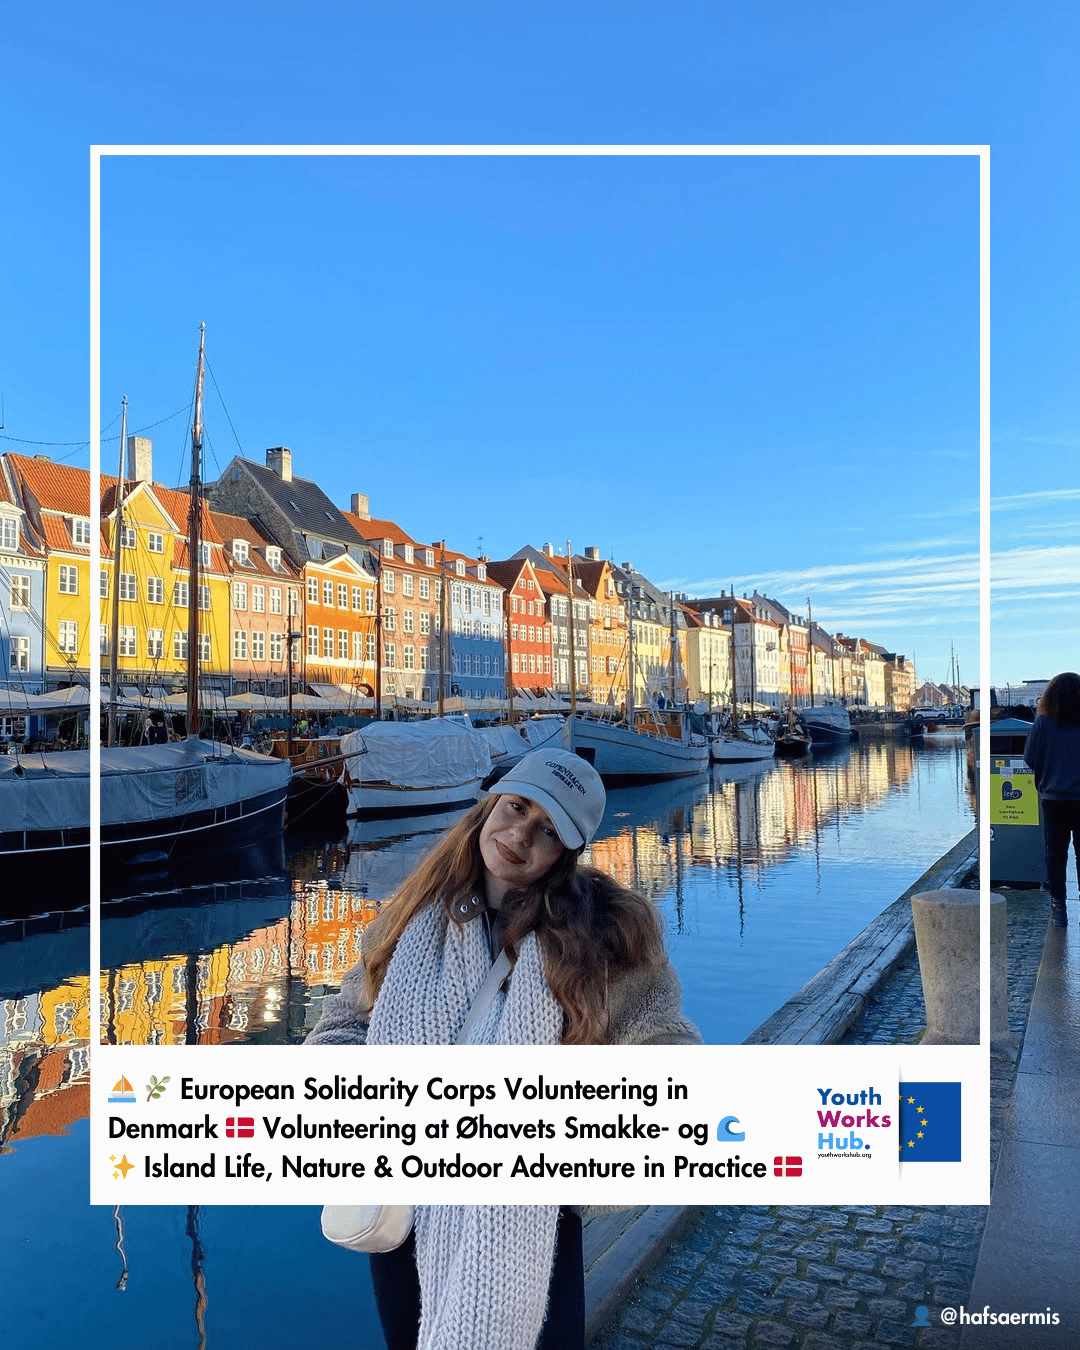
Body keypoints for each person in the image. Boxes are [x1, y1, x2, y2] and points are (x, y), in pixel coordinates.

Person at [306, 748, 700, 1350]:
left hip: (532, 1211)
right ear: (492, 803)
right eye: (516, 807)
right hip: (405, 1202)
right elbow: (342, 1025)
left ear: (568, 851)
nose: (519, 835)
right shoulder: (411, 917)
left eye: (548, 830)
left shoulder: (608, 936)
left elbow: (667, 1056)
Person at [1023, 671, 1080, 926]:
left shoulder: (1043, 724)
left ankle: (1059, 910)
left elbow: (1030, 759)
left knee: (1055, 855)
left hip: (1053, 798)